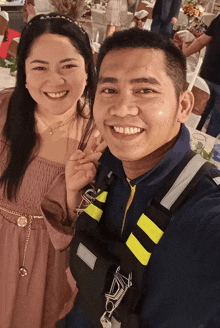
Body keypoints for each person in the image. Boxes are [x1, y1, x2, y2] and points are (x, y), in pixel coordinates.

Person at [65, 28, 220, 328]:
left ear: (183, 107)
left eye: (145, 90)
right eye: (109, 90)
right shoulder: (106, 172)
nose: (122, 108)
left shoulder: (204, 214)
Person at [0, 13, 103, 328]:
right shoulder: (4, 108)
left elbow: (93, 230)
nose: (54, 81)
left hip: (46, 267)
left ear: (87, 69)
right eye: (40, 67)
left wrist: (74, 192)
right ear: (25, 74)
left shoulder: (98, 136)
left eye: (68, 66)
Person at [182, 13, 220, 137]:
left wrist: (182, 56)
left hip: (207, 75)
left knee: (198, 111)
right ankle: (206, 147)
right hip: (209, 76)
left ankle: (191, 140)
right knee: (216, 120)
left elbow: (202, 41)